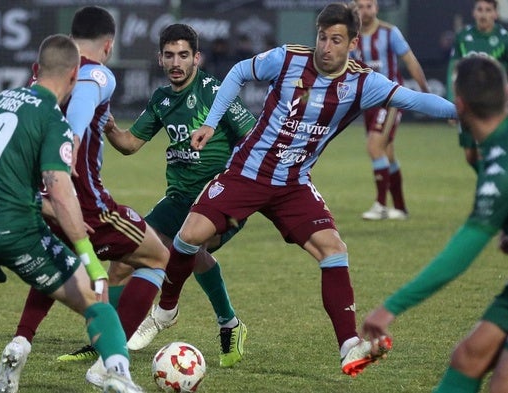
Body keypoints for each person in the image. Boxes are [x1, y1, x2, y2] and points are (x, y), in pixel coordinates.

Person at [159, 2, 457, 378]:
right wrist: (211, 122)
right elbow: (236, 72)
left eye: (336, 40)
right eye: (322, 37)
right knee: (188, 237)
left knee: (333, 249)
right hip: (248, 172)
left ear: (352, 44)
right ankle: (167, 308)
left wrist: (463, 111)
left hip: (293, 185)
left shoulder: (363, 83)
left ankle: (349, 347)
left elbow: (415, 100)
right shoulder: (287, 59)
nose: (326, 47)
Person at [0, 34, 141, 393]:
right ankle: (117, 374)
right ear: (73, 77)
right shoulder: (53, 118)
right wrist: (90, 258)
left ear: (35, 69)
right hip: (12, 228)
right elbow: (58, 185)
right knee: (94, 298)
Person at [62, 24, 255, 383]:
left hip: (221, 195)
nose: (176, 62)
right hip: (178, 199)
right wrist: (107, 126)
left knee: (184, 244)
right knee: (123, 262)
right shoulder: (161, 99)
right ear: (160, 58)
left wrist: (235, 185)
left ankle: (219, 321)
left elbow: (253, 138)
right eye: (169, 55)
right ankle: (106, 341)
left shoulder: (216, 92)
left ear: (197, 57)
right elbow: (129, 144)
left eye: (184, 55)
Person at [0, 6, 170, 391]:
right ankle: (110, 364)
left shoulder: (44, 74)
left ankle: (20, 343)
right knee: (157, 256)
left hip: (41, 199)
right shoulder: (96, 72)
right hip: (85, 202)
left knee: (58, 264)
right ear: (108, 44)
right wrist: (71, 141)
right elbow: (84, 100)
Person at [362, 56, 508, 393]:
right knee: (468, 358)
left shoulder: (500, 167)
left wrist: (389, 308)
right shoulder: (495, 146)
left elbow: (462, 252)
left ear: (458, 104)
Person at [352, 0, 430, 220]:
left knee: (374, 146)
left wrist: (425, 93)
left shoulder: (390, 33)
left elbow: (411, 62)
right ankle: (400, 207)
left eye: (369, 6)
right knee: (387, 153)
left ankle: (380, 205)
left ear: (376, 8)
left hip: (390, 99)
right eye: (360, 6)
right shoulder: (352, 37)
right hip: (368, 104)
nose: (365, 11)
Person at [446, 0, 508, 172]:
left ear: (495, 14)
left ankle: (490, 187)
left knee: (487, 151)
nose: (483, 14)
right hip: (468, 103)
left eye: (488, 10)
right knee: (470, 156)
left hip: (493, 105)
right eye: (480, 9)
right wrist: (452, 103)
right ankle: (488, 180)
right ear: (473, 13)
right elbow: (453, 70)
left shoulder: (504, 39)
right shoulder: (463, 37)